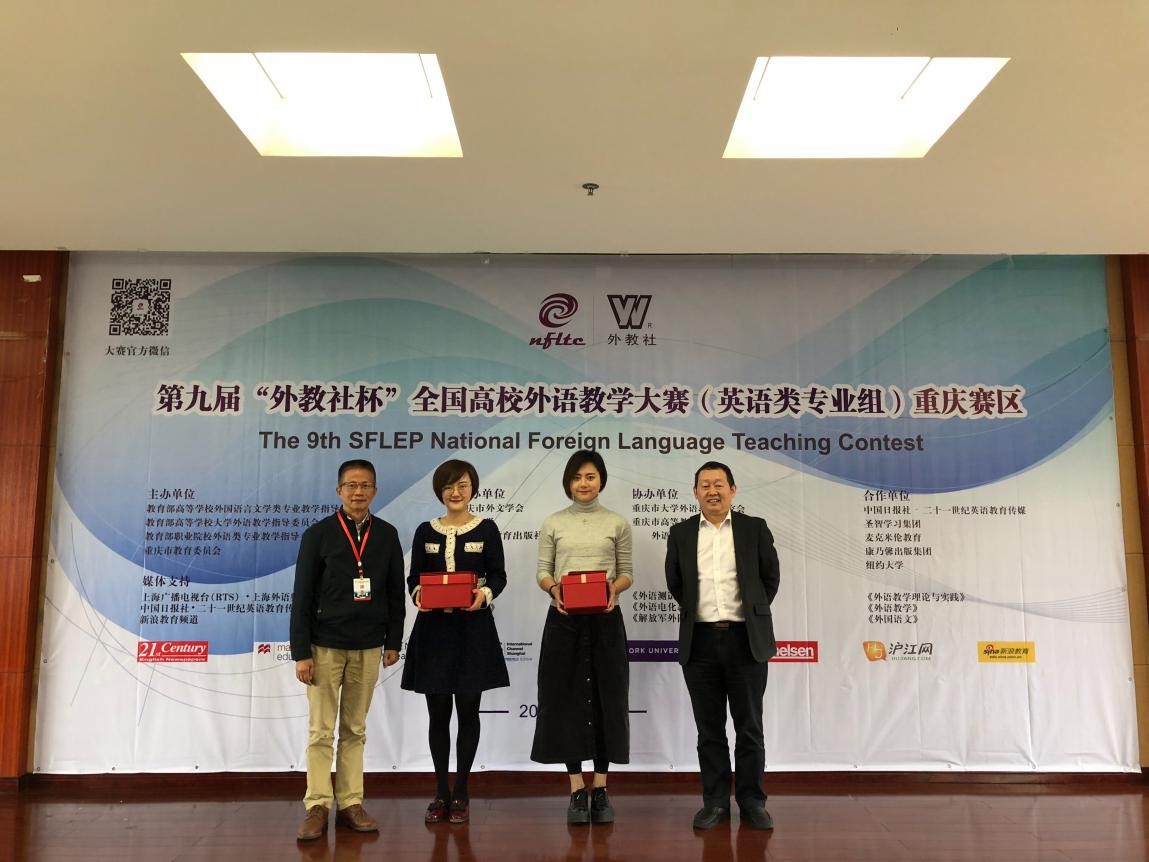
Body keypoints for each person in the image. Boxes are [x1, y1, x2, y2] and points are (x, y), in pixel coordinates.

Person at [290, 459, 406, 841]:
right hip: (324, 647)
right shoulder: (318, 535)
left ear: (375, 490)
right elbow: (302, 596)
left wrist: (393, 641)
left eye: (365, 485)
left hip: (368, 647)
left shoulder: (387, 535)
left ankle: (351, 803)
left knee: (355, 729)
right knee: (321, 731)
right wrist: (301, 652)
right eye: (351, 485)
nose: (358, 492)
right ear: (339, 491)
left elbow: (395, 592)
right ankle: (317, 805)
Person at [664, 461, 780, 831]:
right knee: (709, 729)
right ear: (695, 492)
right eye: (705, 485)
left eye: (719, 484)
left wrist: (750, 615)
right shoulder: (681, 533)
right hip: (699, 643)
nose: (712, 491)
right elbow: (676, 583)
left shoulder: (754, 528)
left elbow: (769, 579)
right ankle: (714, 802)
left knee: (749, 727)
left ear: (733, 489)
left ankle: (752, 801)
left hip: (746, 640)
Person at [402, 459, 510, 824]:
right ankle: (440, 793)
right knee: (437, 714)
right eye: (448, 486)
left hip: (472, 631)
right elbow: (414, 577)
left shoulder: (487, 528)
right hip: (433, 632)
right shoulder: (425, 531)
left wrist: (484, 594)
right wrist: (418, 593)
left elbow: (498, 575)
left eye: (462, 485)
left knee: (468, 711)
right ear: (439, 491)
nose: (455, 492)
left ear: (473, 488)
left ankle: (461, 791)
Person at [531, 449, 633, 825]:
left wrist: (614, 590)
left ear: (601, 480)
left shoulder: (617, 522)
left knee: (608, 699)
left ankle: (601, 789)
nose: (584, 483)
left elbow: (627, 571)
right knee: (565, 700)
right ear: (568, 483)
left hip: (606, 620)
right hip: (564, 621)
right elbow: (543, 571)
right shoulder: (554, 522)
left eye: (590, 476)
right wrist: (553, 589)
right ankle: (576, 789)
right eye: (577, 477)